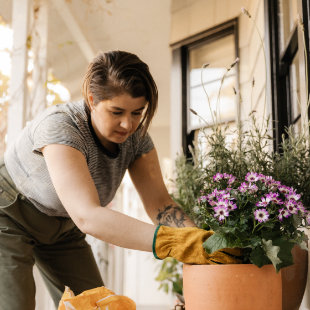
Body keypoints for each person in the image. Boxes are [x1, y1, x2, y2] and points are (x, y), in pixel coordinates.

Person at [0, 50, 241, 310]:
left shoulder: (137, 140)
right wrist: (173, 243)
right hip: (10, 217)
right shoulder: (60, 127)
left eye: (137, 113)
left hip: (63, 229)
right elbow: (87, 216)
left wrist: (202, 245)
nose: (128, 124)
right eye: (117, 112)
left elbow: (160, 205)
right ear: (92, 100)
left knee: (99, 306)